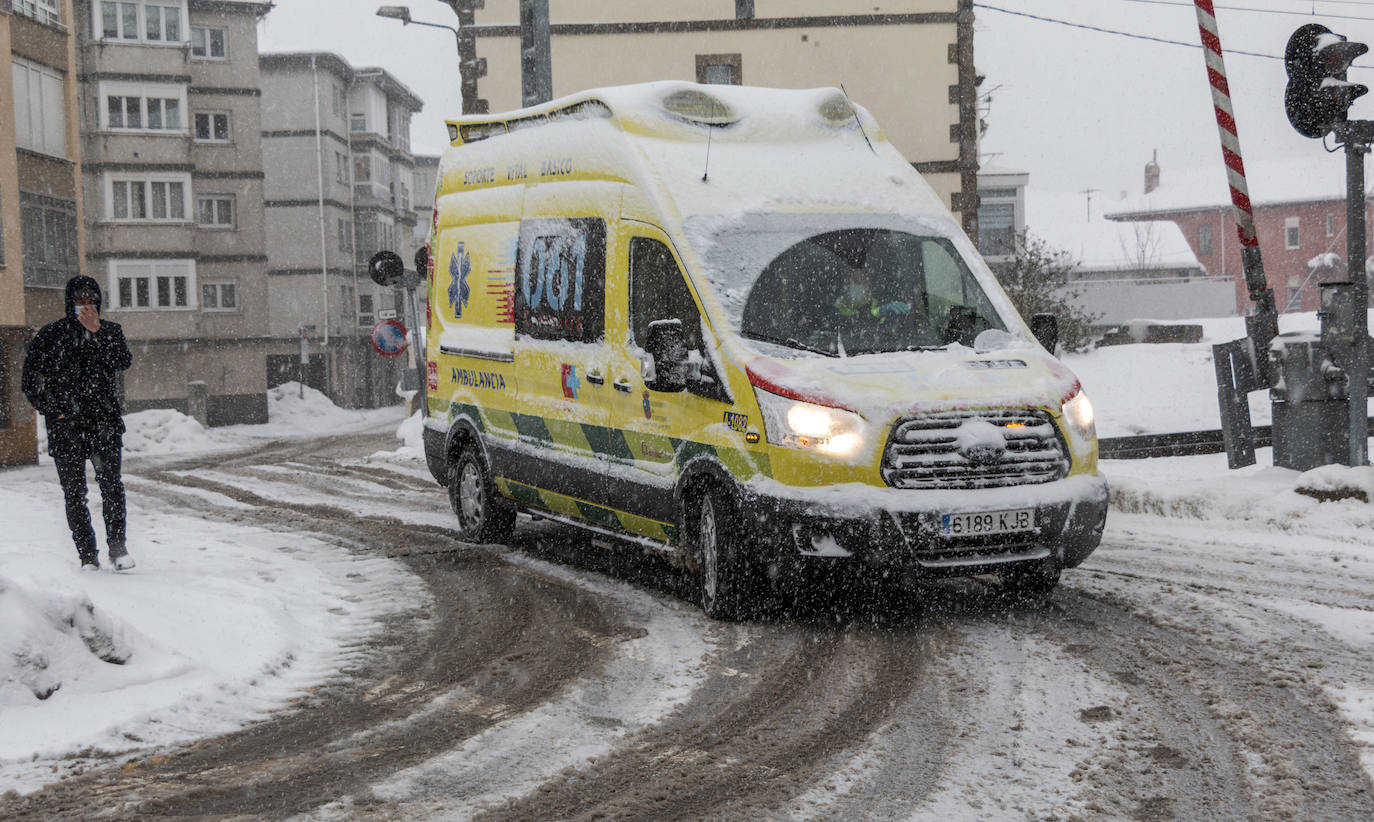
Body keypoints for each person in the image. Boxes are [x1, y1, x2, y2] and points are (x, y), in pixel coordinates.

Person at [22, 275, 135, 571]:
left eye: (91, 302)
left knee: (111, 486)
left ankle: (117, 546)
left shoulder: (110, 331)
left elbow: (122, 361)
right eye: (79, 302)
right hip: (66, 427)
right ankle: (87, 556)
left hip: (103, 422)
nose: (85, 307)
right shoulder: (51, 335)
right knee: (74, 494)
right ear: (69, 303)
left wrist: (96, 332)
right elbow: (30, 379)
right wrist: (51, 408)